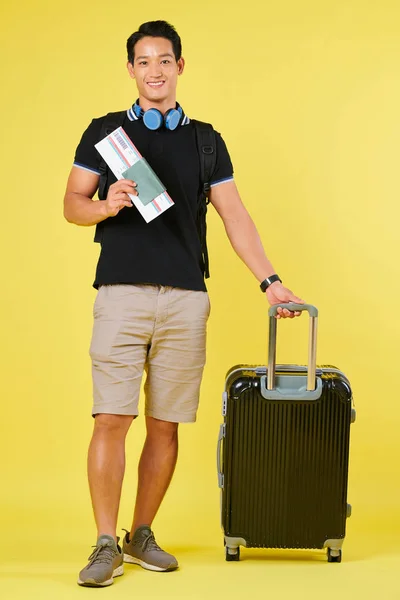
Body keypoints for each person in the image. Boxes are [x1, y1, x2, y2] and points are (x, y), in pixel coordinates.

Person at [64, 20, 303, 588]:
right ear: (131, 69)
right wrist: (106, 205)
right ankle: (104, 543)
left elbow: (235, 216)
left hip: (186, 299)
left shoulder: (205, 140)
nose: (154, 70)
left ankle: (140, 533)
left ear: (179, 67)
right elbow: (72, 204)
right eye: (144, 61)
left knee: (166, 425)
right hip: (121, 294)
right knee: (112, 418)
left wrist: (269, 280)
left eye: (164, 60)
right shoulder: (105, 133)